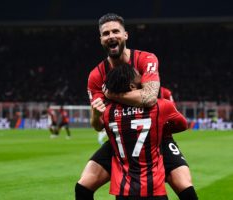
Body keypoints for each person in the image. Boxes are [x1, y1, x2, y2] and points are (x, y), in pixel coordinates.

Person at [75, 13, 197, 200]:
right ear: (101, 39)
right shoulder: (96, 76)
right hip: (121, 139)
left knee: (184, 186)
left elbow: (149, 98)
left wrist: (111, 95)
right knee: (83, 186)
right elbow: (98, 125)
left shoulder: (146, 59)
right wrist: (94, 114)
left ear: (125, 35)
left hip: (158, 136)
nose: (111, 36)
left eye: (116, 31)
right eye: (106, 33)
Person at [99, 63, 188, 199]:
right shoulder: (160, 106)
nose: (143, 76)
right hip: (153, 188)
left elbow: (99, 125)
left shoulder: (108, 113)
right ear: (132, 86)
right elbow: (183, 125)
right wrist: (158, 130)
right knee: (186, 187)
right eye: (138, 75)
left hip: (124, 190)